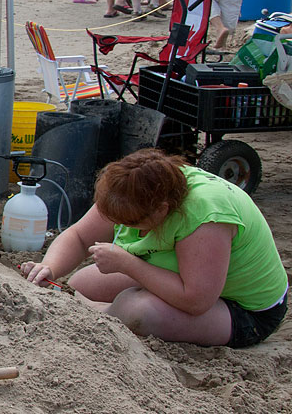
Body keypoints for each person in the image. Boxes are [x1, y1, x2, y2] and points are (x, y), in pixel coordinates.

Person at [22, 149, 287, 348]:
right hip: (190, 282)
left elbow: (197, 300)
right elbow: (80, 236)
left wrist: (128, 264)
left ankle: (92, 312)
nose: (127, 228)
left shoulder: (205, 215)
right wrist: (50, 267)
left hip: (245, 311)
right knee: (81, 281)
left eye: (135, 223)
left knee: (138, 311)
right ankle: (88, 305)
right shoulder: (131, 188)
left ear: (162, 210)